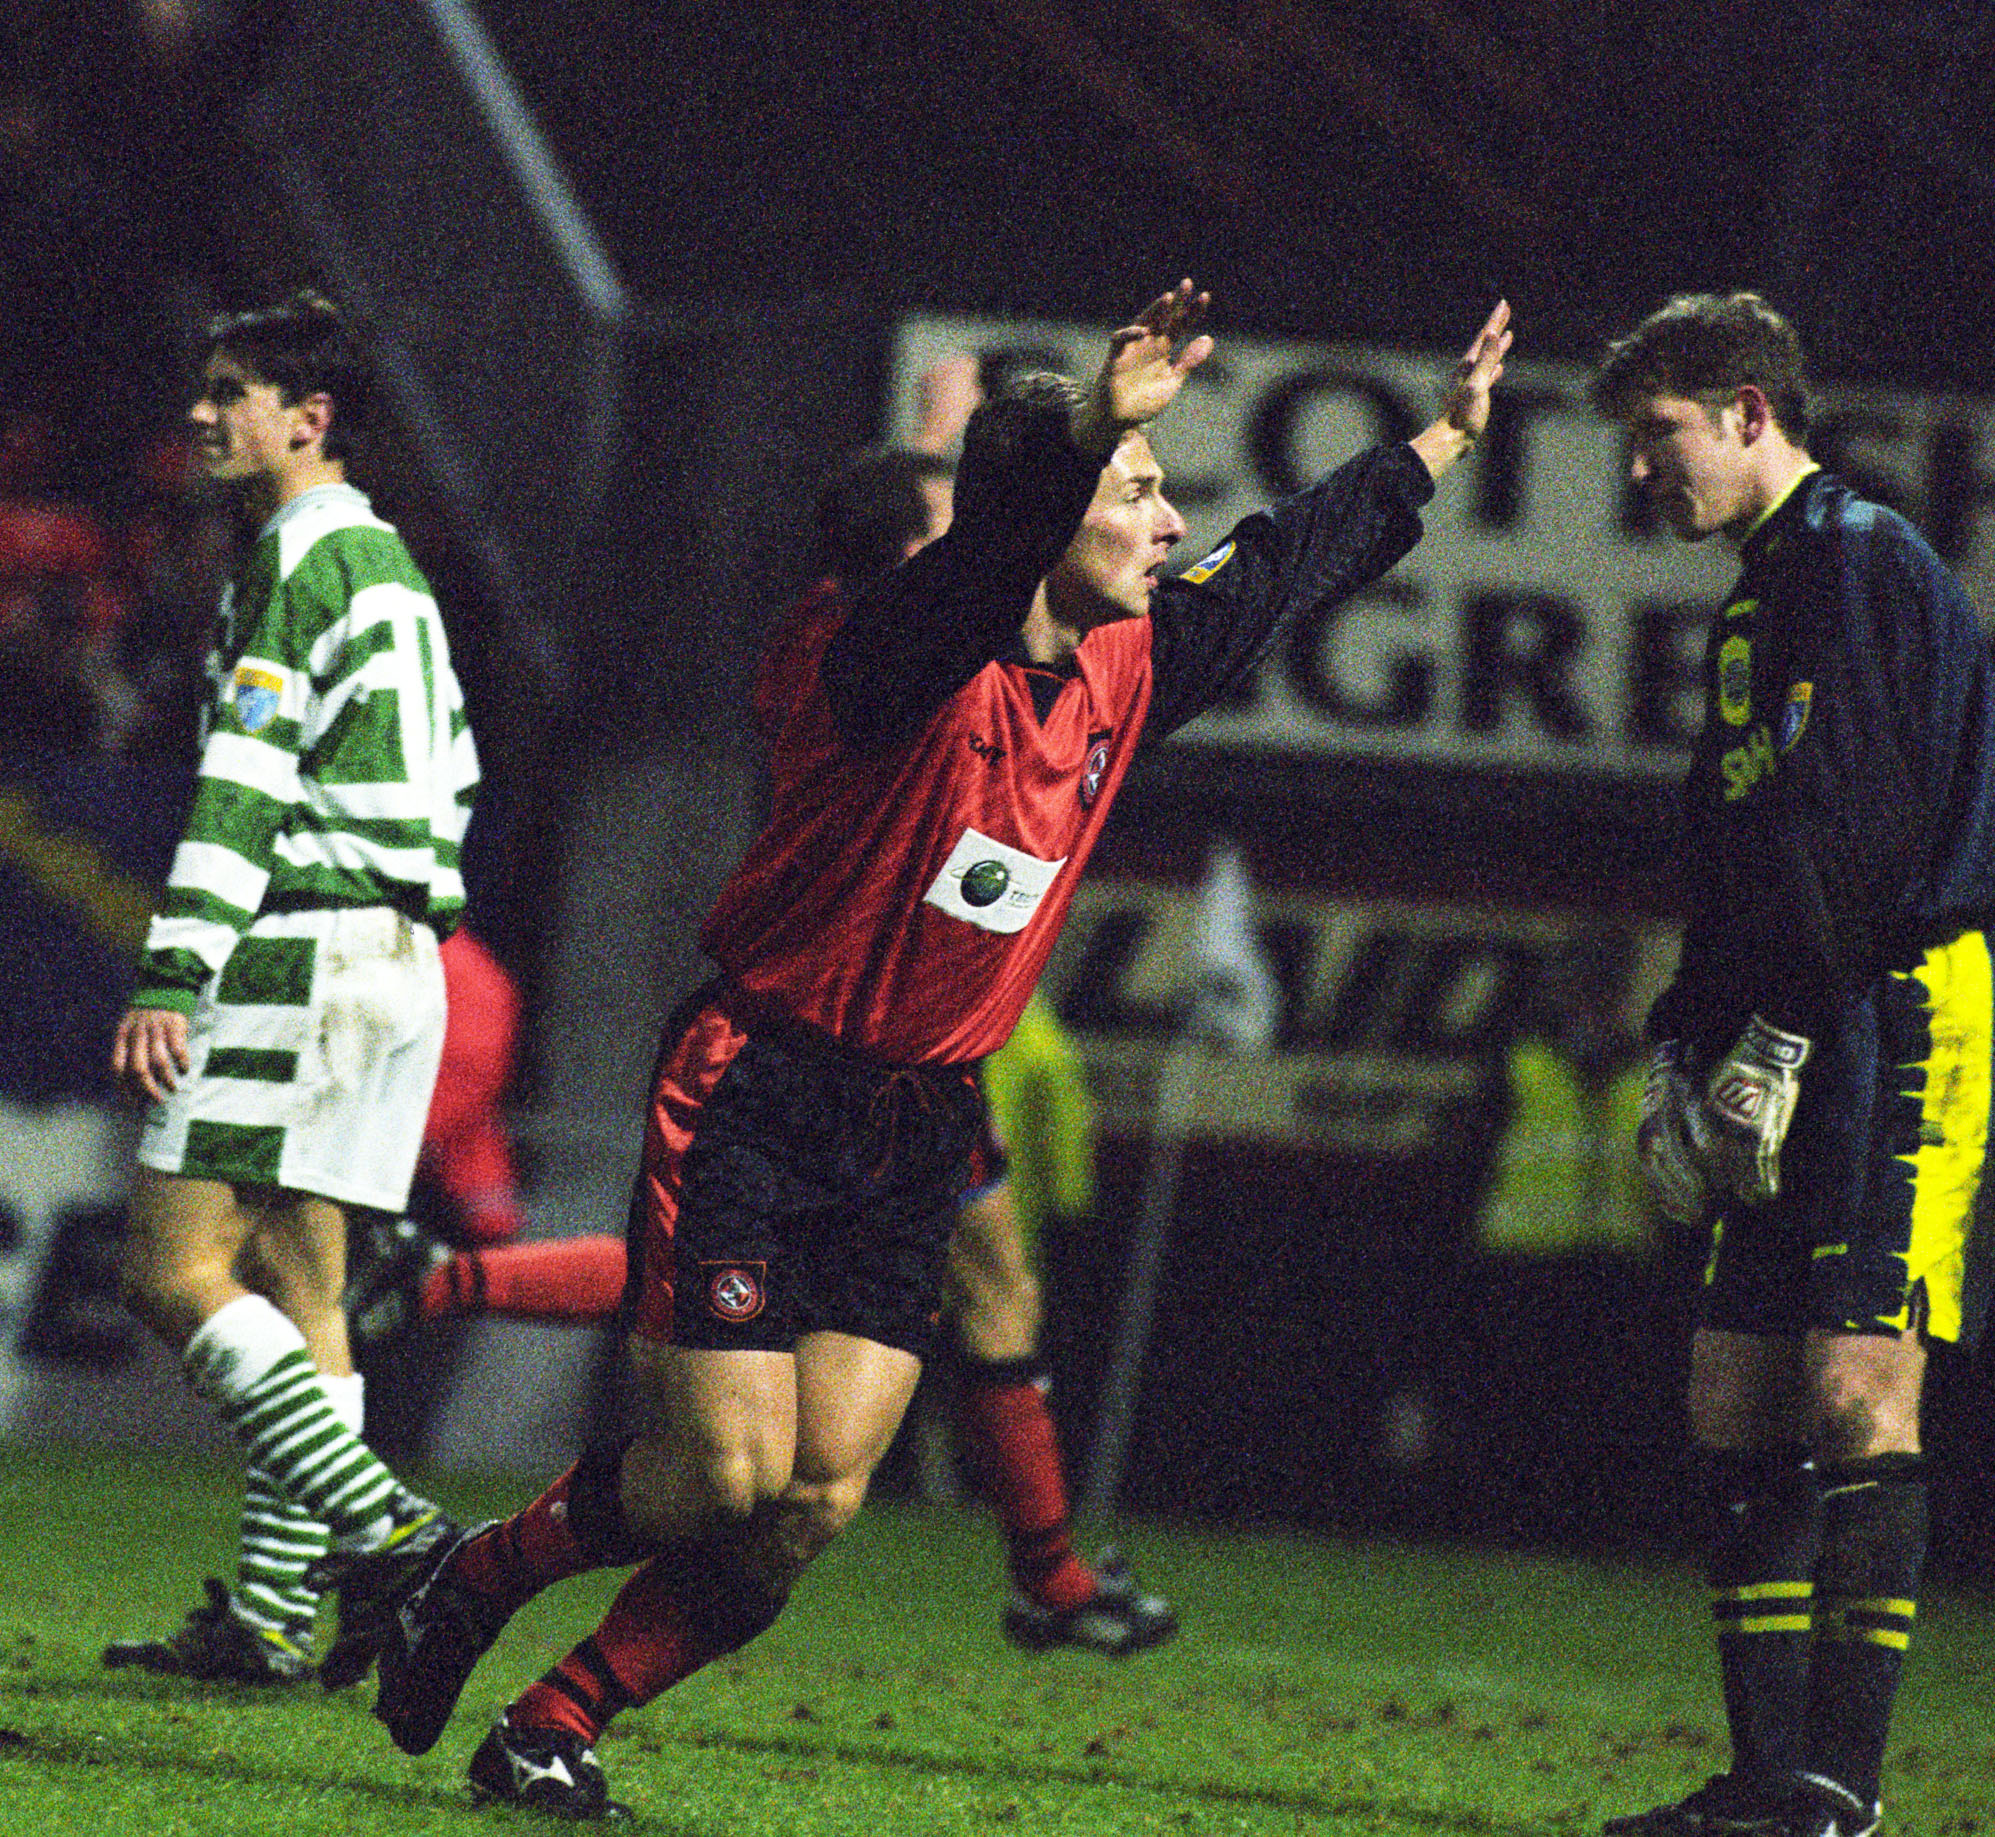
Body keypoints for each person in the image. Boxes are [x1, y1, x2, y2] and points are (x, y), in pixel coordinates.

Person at [342, 280, 1508, 1820]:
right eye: (1142, 493)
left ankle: (554, 1721)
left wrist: (1439, 435)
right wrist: (1083, 427)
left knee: (816, 1497)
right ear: (1047, 519)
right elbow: (973, 565)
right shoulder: (880, 661)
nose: (1169, 525)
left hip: (915, 1122)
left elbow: (1287, 566)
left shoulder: (1129, 664)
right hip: (760, 1087)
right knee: (721, 1477)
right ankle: (468, 1576)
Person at [1594, 292, 1995, 1837]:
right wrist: (1684, 1043)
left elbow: (1872, 831)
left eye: (1660, 433)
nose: (1644, 468)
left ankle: (1838, 1784)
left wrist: (1780, 1022)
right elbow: (1743, 849)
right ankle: (1763, 1779)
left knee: (1851, 1384)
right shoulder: (1760, 597)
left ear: (1751, 408)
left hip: (1898, 1010)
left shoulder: (1863, 563)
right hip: (1787, 1024)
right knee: (1732, 1390)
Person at [102, 291, 478, 1687]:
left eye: (232, 389)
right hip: (398, 956)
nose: (204, 413)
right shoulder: (390, 565)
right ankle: (267, 1621)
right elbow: (455, 776)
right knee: (300, 1277)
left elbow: (247, 777)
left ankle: (389, 1528)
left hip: (304, 944)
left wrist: (177, 963)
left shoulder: (296, 559)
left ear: (307, 419)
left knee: (173, 1265)